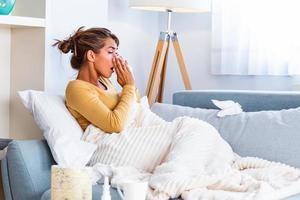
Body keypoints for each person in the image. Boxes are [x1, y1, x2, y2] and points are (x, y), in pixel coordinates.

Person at [53, 26, 140, 133]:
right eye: (110, 52)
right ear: (91, 56)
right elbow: (114, 125)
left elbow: (136, 107)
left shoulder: (105, 81)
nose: (116, 58)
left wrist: (130, 83)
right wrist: (129, 86)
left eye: (116, 53)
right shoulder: (76, 88)